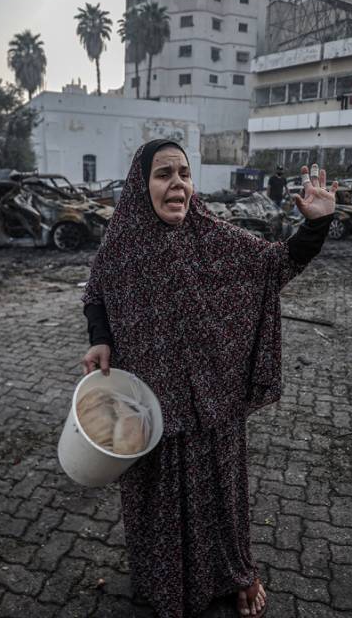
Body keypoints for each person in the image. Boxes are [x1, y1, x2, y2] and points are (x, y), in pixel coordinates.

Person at [80, 140, 336, 618]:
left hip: (210, 404)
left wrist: (317, 224)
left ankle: (236, 574)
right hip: (148, 406)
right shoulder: (122, 241)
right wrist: (101, 338)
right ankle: (164, 579)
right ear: (141, 184)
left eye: (184, 173)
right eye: (163, 174)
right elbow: (97, 292)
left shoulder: (214, 236)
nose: (177, 183)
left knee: (219, 499)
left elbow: (273, 266)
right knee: (154, 499)